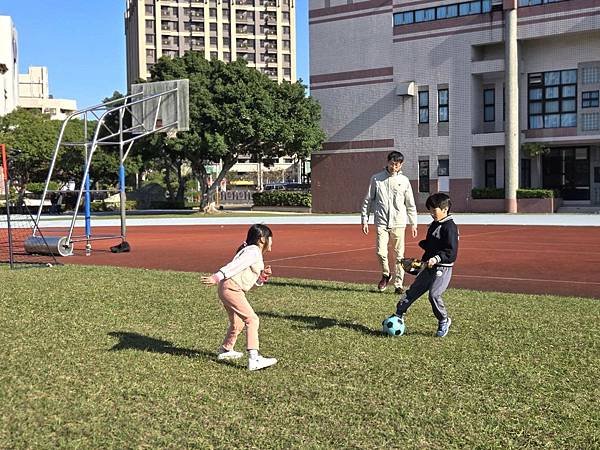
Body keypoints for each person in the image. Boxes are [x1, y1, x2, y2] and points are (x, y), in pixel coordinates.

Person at [201, 224, 277, 371]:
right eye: (270, 239)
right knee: (252, 319)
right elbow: (234, 266)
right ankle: (254, 358)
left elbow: (251, 284)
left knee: (238, 322)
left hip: (228, 288)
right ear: (262, 239)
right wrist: (216, 277)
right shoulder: (253, 251)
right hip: (231, 288)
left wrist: (263, 277)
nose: (272, 242)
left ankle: (226, 350)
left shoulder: (252, 252)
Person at [391, 193, 459, 337]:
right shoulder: (434, 224)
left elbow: (451, 252)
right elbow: (432, 245)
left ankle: (444, 320)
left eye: (434, 210)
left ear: (445, 209)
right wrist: (424, 253)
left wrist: (437, 258)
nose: (432, 214)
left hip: (442, 268)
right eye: (430, 210)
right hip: (428, 266)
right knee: (413, 291)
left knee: (434, 294)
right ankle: (398, 314)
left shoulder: (450, 227)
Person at [361, 151, 418, 294]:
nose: (394, 167)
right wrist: (365, 219)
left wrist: (413, 223)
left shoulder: (404, 181)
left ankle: (398, 284)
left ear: (401, 165)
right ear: (387, 162)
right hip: (381, 221)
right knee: (381, 252)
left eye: (397, 164)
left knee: (399, 255)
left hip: (399, 222)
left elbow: (410, 204)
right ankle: (386, 274)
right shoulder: (376, 179)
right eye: (392, 164)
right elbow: (368, 200)